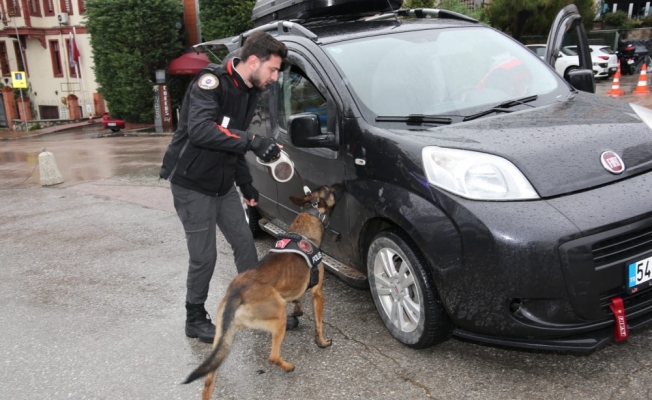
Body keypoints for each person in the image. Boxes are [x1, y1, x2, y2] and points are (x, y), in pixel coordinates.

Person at [159, 31, 297, 344]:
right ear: (252, 61)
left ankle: (258, 305)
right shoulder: (211, 83)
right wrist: (253, 141)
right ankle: (194, 317)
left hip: (222, 185)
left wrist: (246, 185)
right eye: (272, 70)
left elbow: (232, 141)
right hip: (192, 184)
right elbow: (201, 131)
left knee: (244, 243)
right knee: (204, 257)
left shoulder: (249, 91)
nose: (275, 77)